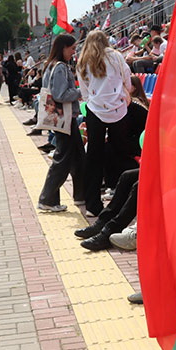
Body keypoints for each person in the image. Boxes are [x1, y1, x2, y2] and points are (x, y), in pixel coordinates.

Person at [77, 30, 134, 217]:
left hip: (95, 110)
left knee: (94, 157)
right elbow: (128, 79)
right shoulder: (116, 56)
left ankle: (93, 204)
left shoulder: (83, 60)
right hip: (118, 109)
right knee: (122, 153)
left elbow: (84, 92)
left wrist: (94, 100)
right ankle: (125, 198)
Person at [36, 35, 85, 212]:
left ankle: (80, 195)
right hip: (65, 119)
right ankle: (47, 198)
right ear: (63, 47)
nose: (74, 52)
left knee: (78, 157)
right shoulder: (60, 68)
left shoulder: (51, 65)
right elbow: (60, 95)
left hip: (64, 119)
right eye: (72, 48)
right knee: (62, 160)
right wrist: (81, 91)